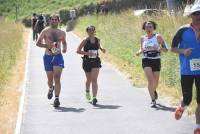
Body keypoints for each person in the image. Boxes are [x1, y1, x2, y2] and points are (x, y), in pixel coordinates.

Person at [171, 4, 200, 134]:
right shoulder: (182, 30)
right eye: (195, 14)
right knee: (188, 99)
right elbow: (172, 48)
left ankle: (197, 127)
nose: (198, 16)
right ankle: (182, 106)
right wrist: (182, 51)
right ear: (191, 15)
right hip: (187, 70)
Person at [36, 14, 67, 107]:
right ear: (50, 21)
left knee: (57, 78)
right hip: (48, 57)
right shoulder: (45, 31)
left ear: (58, 21)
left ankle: (57, 98)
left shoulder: (62, 33)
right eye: (52, 19)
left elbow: (64, 42)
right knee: (50, 79)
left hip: (58, 56)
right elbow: (38, 43)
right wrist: (47, 46)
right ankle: (50, 88)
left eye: (55, 19)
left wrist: (65, 48)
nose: (54, 21)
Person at [136, 21, 168, 107]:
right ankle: (153, 100)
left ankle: (153, 91)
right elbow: (141, 49)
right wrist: (138, 52)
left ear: (153, 28)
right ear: (144, 28)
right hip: (146, 60)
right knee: (150, 81)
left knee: (156, 81)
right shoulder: (142, 38)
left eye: (150, 27)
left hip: (156, 60)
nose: (148, 28)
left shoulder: (158, 37)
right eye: (146, 27)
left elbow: (166, 49)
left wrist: (158, 48)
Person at [77, 25, 106, 105]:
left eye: (93, 30)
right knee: (89, 79)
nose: (91, 32)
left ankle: (94, 98)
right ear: (87, 32)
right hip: (87, 61)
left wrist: (102, 49)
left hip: (96, 61)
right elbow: (78, 50)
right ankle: (87, 91)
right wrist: (87, 53)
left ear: (94, 31)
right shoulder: (85, 41)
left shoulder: (97, 40)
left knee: (94, 79)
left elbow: (99, 46)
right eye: (89, 30)